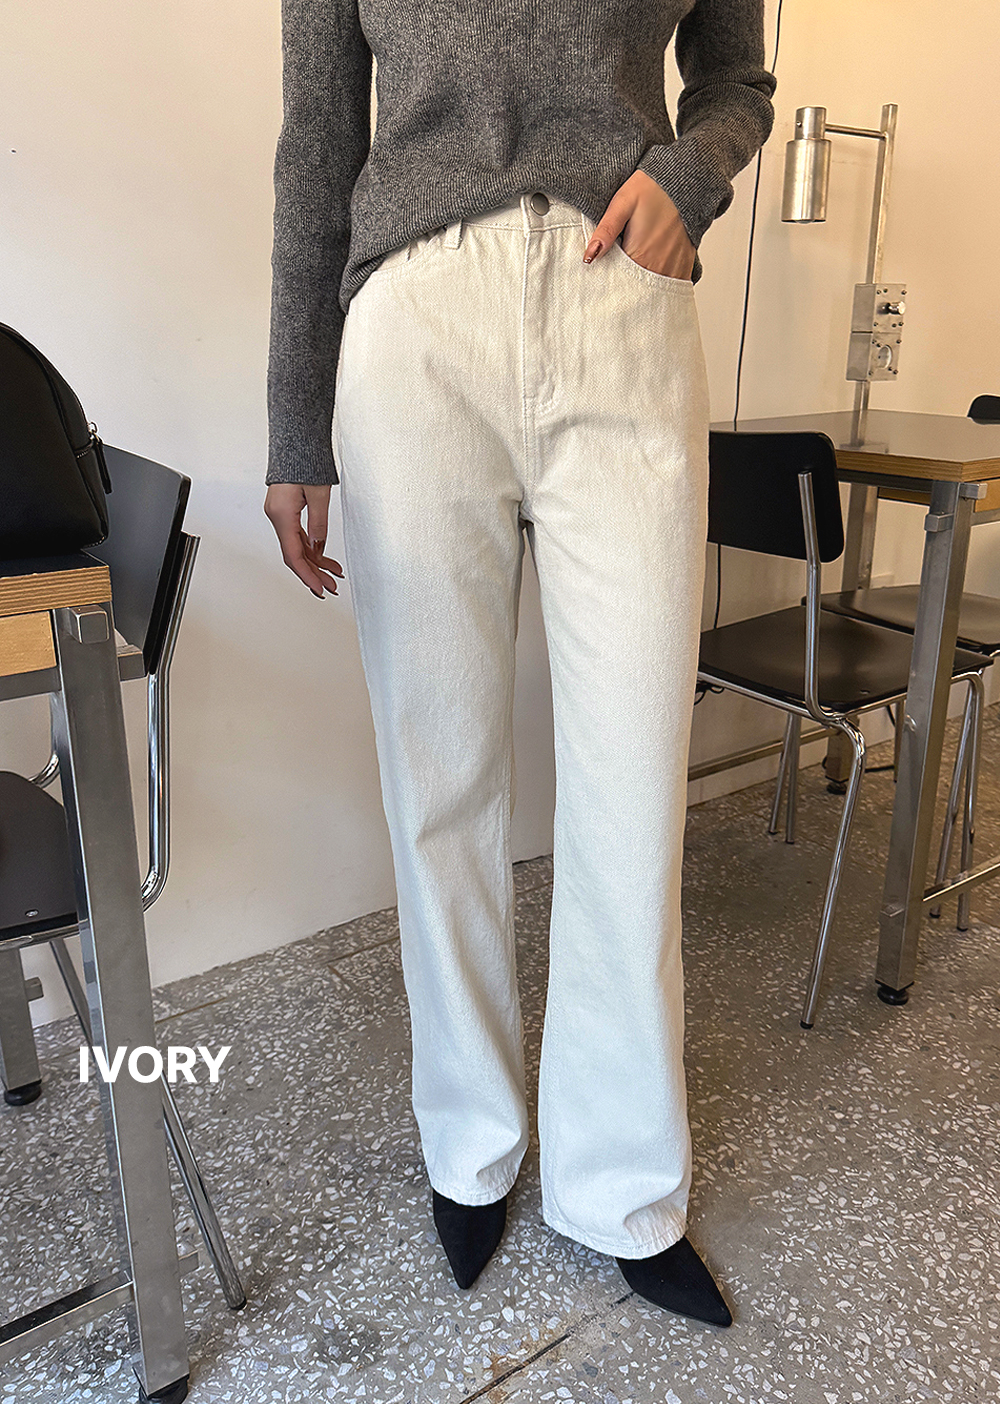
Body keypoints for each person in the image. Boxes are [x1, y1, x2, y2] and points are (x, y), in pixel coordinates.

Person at [264, 0, 775, 1327]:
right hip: (417, 329)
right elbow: (318, 145)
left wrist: (689, 178)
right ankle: (469, 1144)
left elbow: (738, 80)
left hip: (624, 306)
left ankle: (622, 1183)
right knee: (439, 778)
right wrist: (294, 428)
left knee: (633, 778)